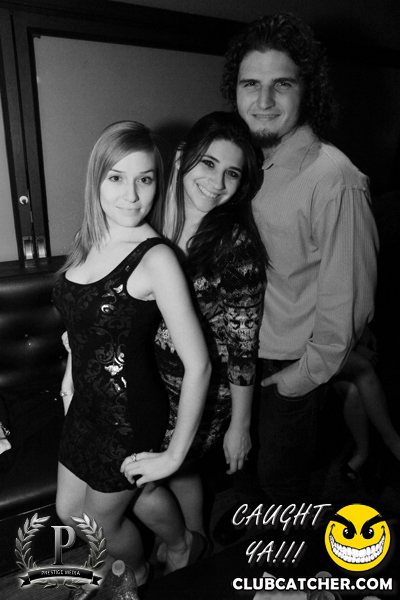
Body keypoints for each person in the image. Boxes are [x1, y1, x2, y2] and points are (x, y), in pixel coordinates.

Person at [219, 13, 379, 504]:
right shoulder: (242, 162)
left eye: (282, 84)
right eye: (251, 84)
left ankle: (283, 551)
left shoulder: (335, 179)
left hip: (288, 363)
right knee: (241, 472)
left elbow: (349, 300)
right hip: (237, 354)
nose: (264, 101)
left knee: (281, 486)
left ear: (307, 90)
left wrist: (298, 379)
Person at [52, 120, 211, 599]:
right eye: (116, 178)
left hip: (128, 415)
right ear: (96, 180)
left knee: (101, 520)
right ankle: (184, 543)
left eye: (145, 179)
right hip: (85, 405)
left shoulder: (156, 258)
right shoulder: (89, 238)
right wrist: (69, 377)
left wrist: (174, 455)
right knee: (69, 512)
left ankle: (133, 576)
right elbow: (79, 326)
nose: (131, 195)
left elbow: (200, 364)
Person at [130, 111, 267, 547]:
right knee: (181, 470)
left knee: (138, 480)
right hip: (151, 379)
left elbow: (243, 347)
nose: (217, 183)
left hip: (204, 392)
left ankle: (180, 546)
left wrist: (240, 426)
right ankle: (197, 541)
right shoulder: (152, 220)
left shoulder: (234, 247)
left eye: (232, 173)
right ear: (183, 157)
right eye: (208, 163)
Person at [332, 326, 400, 481]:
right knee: (363, 368)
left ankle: (363, 453)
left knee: (354, 391)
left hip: (342, 344)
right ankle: (393, 442)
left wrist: (363, 329)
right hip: (311, 348)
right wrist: (354, 349)